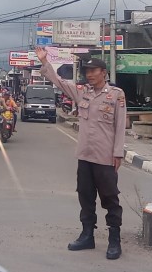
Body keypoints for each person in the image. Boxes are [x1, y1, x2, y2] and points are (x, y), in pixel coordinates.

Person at [36, 47, 125, 260]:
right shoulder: (82, 92)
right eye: (87, 71)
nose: (90, 74)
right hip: (85, 155)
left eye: (94, 71)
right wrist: (45, 62)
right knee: (85, 197)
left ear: (104, 73)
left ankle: (114, 240)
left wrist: (118, 153)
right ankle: (87, 235)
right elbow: (59, 82)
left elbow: (121, 125)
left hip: (105, 157)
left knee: (110, 198)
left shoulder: (116, 95)